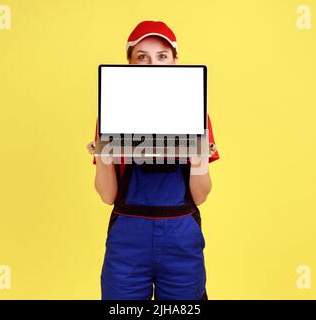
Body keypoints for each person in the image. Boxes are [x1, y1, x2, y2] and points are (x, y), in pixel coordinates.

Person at [86, 20, 220, 300]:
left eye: (162, 56)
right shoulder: (110, 116)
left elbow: (201, 195)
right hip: (127, 246)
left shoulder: (196, 115)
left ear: (174, 62)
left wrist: (199, 161)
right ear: (129, 65)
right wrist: (103, 156)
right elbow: (108, 195)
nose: (153, 64)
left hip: (181, 241)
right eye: (142, 57)